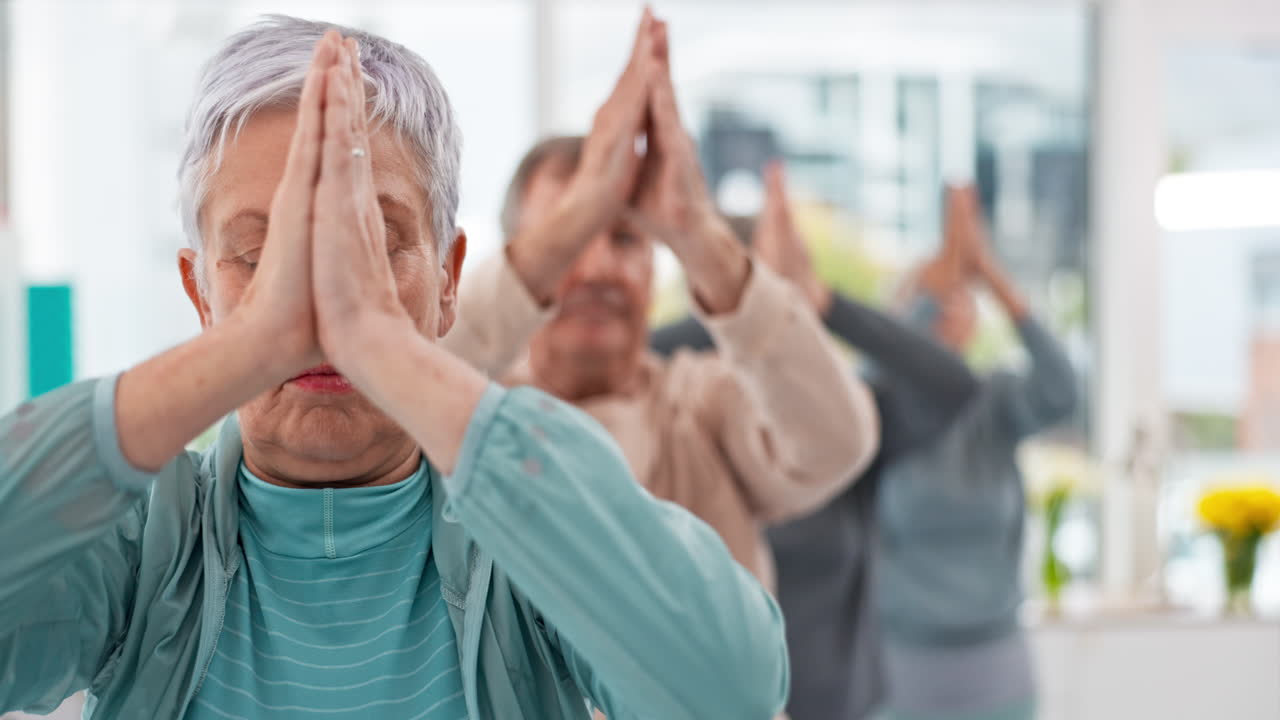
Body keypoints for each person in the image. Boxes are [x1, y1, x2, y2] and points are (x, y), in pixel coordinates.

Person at [0, 15, 790, 720]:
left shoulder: (529, 542)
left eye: (371, 245)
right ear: (199, 292)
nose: (313, 298)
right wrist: (250, 343)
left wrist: (382, 344)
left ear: (448, 279)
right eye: (256, 255)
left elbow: (734, 691)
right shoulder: (138, 551)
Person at [443, 18, 879, 599]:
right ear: (521, 257)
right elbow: (386, 404)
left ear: (656, 266)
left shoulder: (706, 404)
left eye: (624, 238)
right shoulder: (464, 414)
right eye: (568, 238)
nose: (597, 268)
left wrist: (698, 232)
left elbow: (836, 444)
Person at [654, 174, 1077, 720]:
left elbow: (948, 383)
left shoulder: (843, 430)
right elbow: (634, 351)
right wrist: (739, 294)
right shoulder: (669, 422)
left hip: (857, 702)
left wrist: (823, 301)